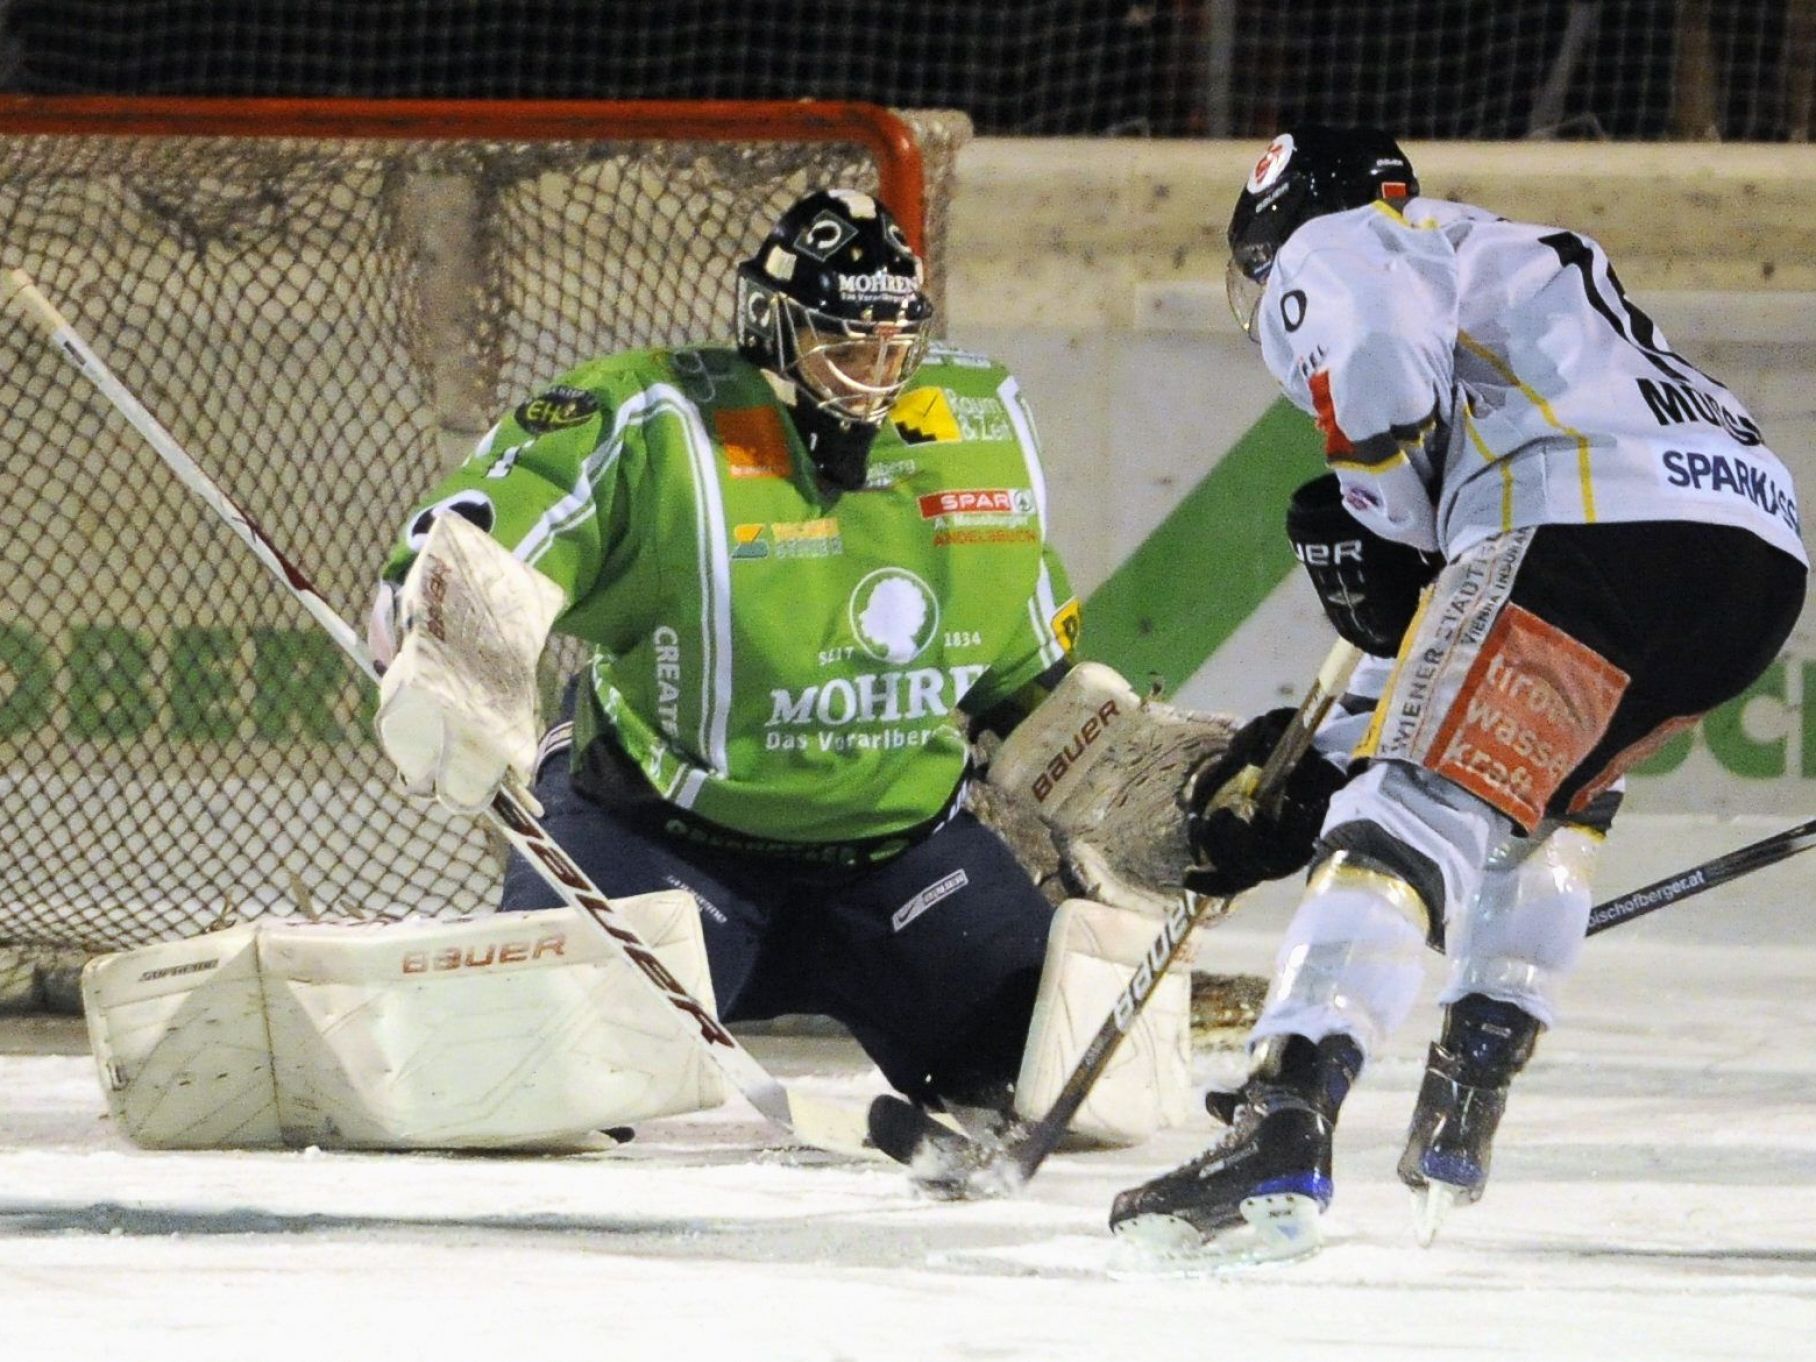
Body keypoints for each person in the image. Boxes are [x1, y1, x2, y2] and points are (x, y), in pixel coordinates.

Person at [364, 188, 1204, 1144]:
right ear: (772, 329)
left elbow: (1026, 682)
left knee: (1087, 1097)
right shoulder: (652, 420)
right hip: (662, 840)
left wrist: (1161, 791)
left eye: (893, 345)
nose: (872, 374)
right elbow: (460, 557)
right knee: (527, 1087)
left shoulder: (975, 428)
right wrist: (447, 663)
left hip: (902, 857)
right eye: (843, 344)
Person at [1110, 126, 1807, 1261]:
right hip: (1748, 559)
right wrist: (1311, 750)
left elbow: (1377, 367)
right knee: (1534, 797)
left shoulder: (1349, 238)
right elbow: (1450, 658)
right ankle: (1462, 1101)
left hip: (1588, 524)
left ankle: (1284, 1116)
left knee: (1413, 804)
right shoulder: (1529, 277)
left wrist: (1382, 511)